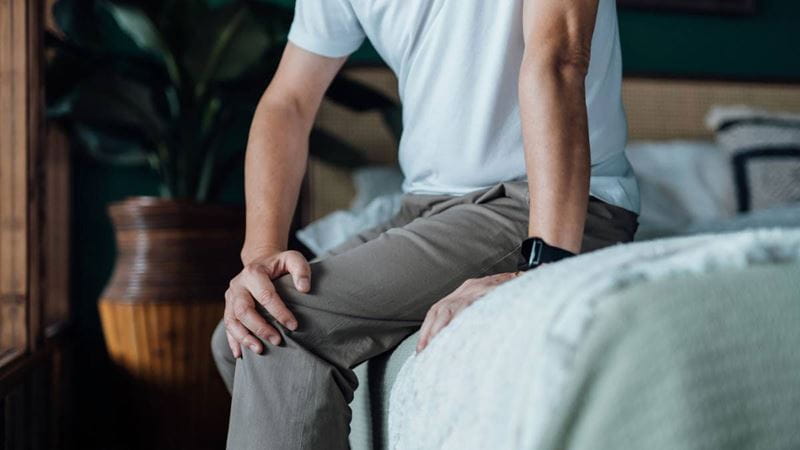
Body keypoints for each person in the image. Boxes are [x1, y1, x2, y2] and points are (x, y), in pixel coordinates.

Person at [211, 0, 640, 448]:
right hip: (427, 205)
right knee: (240, 334)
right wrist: (260, 255)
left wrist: (545, 267)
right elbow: (289, 102)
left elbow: (559, 58)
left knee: (285, 326)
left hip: (545, 203)